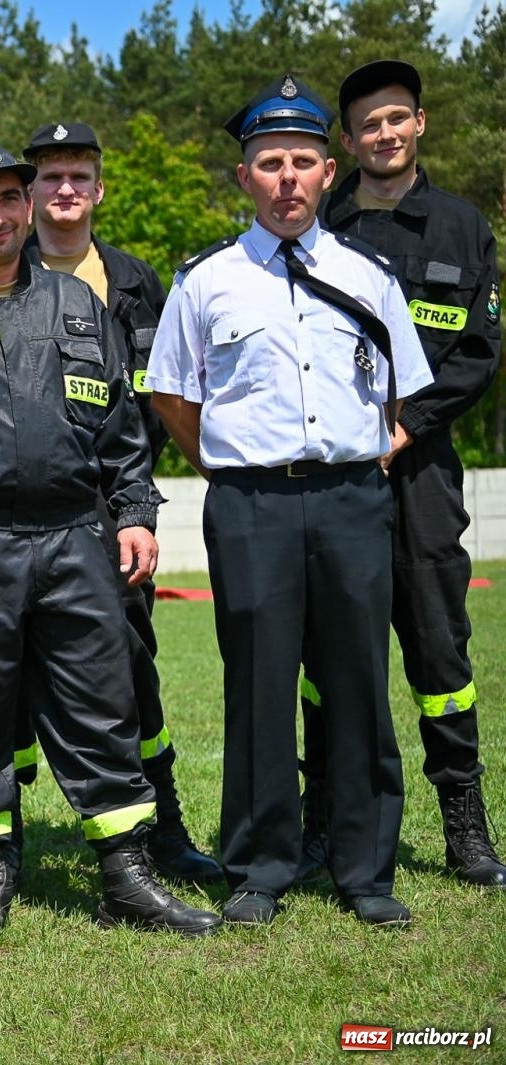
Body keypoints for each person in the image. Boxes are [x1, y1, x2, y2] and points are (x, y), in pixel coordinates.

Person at [0, 142, 220, 942]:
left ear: (27, 208)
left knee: (103, 702)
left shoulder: (78, 303)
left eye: (7, 200)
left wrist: (135, 510)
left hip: (76, 537)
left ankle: (126, 871)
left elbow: (122, 427)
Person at [146, 74, 434, 927]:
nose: (286, 179)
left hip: (352, 499)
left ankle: (364, 867)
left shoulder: (369, 276)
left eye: (302, 162)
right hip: (251, 506)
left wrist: (357, 455)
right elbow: (173, 395)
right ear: (245, 177)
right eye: (269, 163)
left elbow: (400, 393)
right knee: (259, 687)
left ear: (328, 172)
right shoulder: (206, 280)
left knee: (359, 683)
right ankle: (259, 865)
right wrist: (231, 470)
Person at [303, 59, 505, 889]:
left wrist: (406, 424)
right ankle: (322, 821)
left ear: (419, 123)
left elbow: (478, 353)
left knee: (439, 650)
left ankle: (465, 821)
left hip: (422, 475)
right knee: (327, 657)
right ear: (348, 143)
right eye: (367, 124)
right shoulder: (319, 223)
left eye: (397, 118)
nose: (383, 133)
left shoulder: (462, 227)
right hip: (332, 478)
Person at [18, 121, 220, 884]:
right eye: (51, 176)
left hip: (115, 509)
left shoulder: (138, 282)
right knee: (7, 678)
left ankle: (162, 828)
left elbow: (167, 393)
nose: (65, 188)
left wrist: (133, 501)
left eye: (79, 175)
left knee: (132, 669)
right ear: (30, 193)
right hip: (18, 515)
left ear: (99, 189)